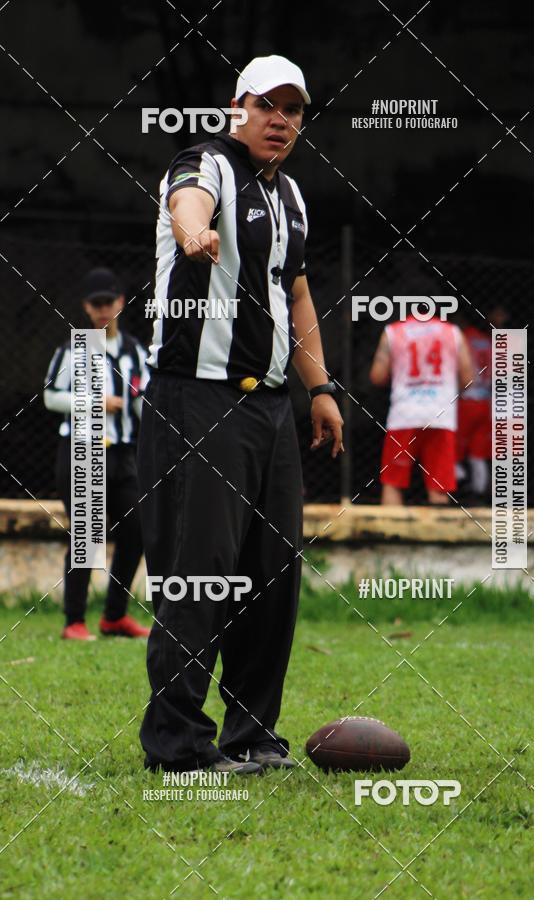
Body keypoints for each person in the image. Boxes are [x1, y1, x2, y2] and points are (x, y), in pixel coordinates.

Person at [139, 55, 343, 776]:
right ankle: (177, 745)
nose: (280, 121)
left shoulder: (291, 195)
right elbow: (187, 201)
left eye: (294, 109)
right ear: (238, 108)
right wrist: (195, 232)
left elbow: (297, 294)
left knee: (271, 575)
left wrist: (320, 389)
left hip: (270, 407)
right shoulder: (206, 164)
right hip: (198, 398)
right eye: (267, 106)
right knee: (201, 573)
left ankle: (252, 735)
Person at [44, 267, 150, 641]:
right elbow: (50, 396)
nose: (104, 310)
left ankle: (114, 617)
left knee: (137, 529)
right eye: (96, 304)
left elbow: (145, 403)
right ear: (87, 308)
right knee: (87, 534)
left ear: (120, 302)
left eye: (109, 302)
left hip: (123, 453)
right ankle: (74, 621)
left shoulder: (136, 352)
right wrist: (94, 402)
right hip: (82, 450)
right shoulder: (74, 350)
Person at [370, 308, 473, 504]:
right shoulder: (452, 332)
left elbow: (377, 376)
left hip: (404, 414)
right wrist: (449, 392)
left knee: (392, 483)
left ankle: (389, 525)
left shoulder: (393, 331)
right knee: (439, 487)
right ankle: (438, 524)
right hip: (441, 413)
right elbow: (468, 377)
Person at [456, 305, 508, 501]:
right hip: (486, 401)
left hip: (466, 399)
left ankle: (461, 482)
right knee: (478, 452)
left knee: (453, 448)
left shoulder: (463, 338)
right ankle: (478, 493)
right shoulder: (488, 341)